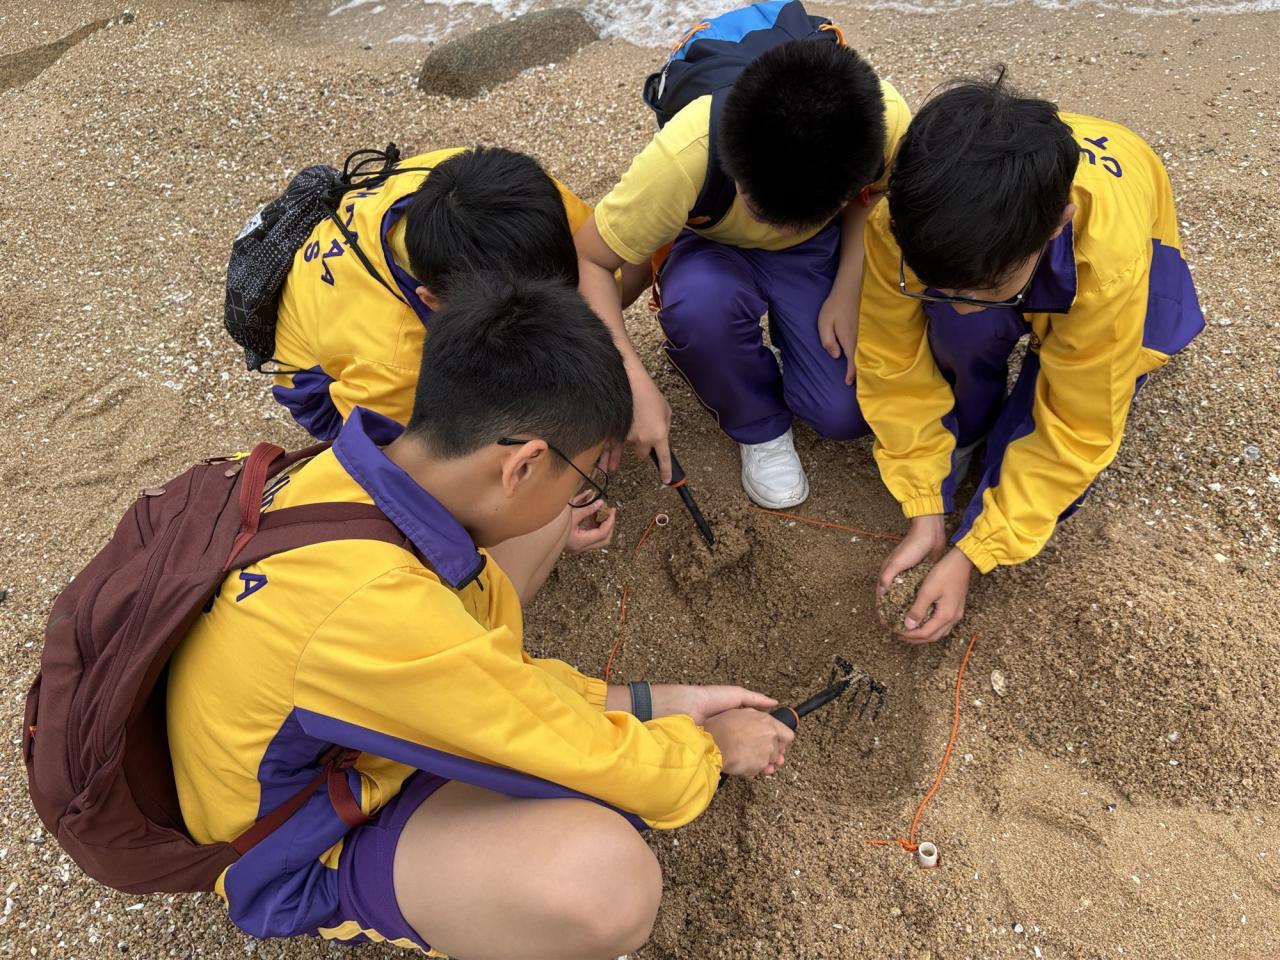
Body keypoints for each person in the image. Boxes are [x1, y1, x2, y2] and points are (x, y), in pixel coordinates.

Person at [169, 274, 794, 959]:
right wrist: (711, 748)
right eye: (585, 473)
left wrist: (661, 702)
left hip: (339, 713)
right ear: (522, 465)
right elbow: (565, 750)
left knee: (539, 524)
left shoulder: (348, 469)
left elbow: (483, 681)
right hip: (295, 839)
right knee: (606, 883)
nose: (584, 492)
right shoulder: (379, 610)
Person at [857, 73, 1204, 644]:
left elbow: (1075, 427)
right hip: (1005, 233)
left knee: (1046, 423)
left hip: (1114, 257)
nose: (961, 306)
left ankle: (987, 458)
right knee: (961, 327)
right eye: (940, 285)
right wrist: (924, 504)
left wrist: (973, 552)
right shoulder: (904, 222)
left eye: (988, 289)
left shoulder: (1108, 263)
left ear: (1057, 225)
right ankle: (963, 434)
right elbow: (889, 360)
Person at [576, 27, 911, 508]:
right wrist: (628, 380)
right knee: (701, 308)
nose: (777, 229)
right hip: (712, 245)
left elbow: (877, 195)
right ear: (731, 163)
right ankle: (758, 424)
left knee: (844, 413)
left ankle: (774, 356)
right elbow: (591, 257)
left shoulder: (882, 124)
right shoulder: (687, 154)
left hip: (815, 251)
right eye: (760, 210)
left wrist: (848, 284)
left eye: (797, 219)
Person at [271, 144, 651, 441]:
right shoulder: (394, 365)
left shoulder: (517, 197)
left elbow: (607, 268)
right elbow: (401, 472)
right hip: (319, 385)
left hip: (372, 288)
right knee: (464, 444)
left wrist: (621, 379)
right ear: (434, 304)